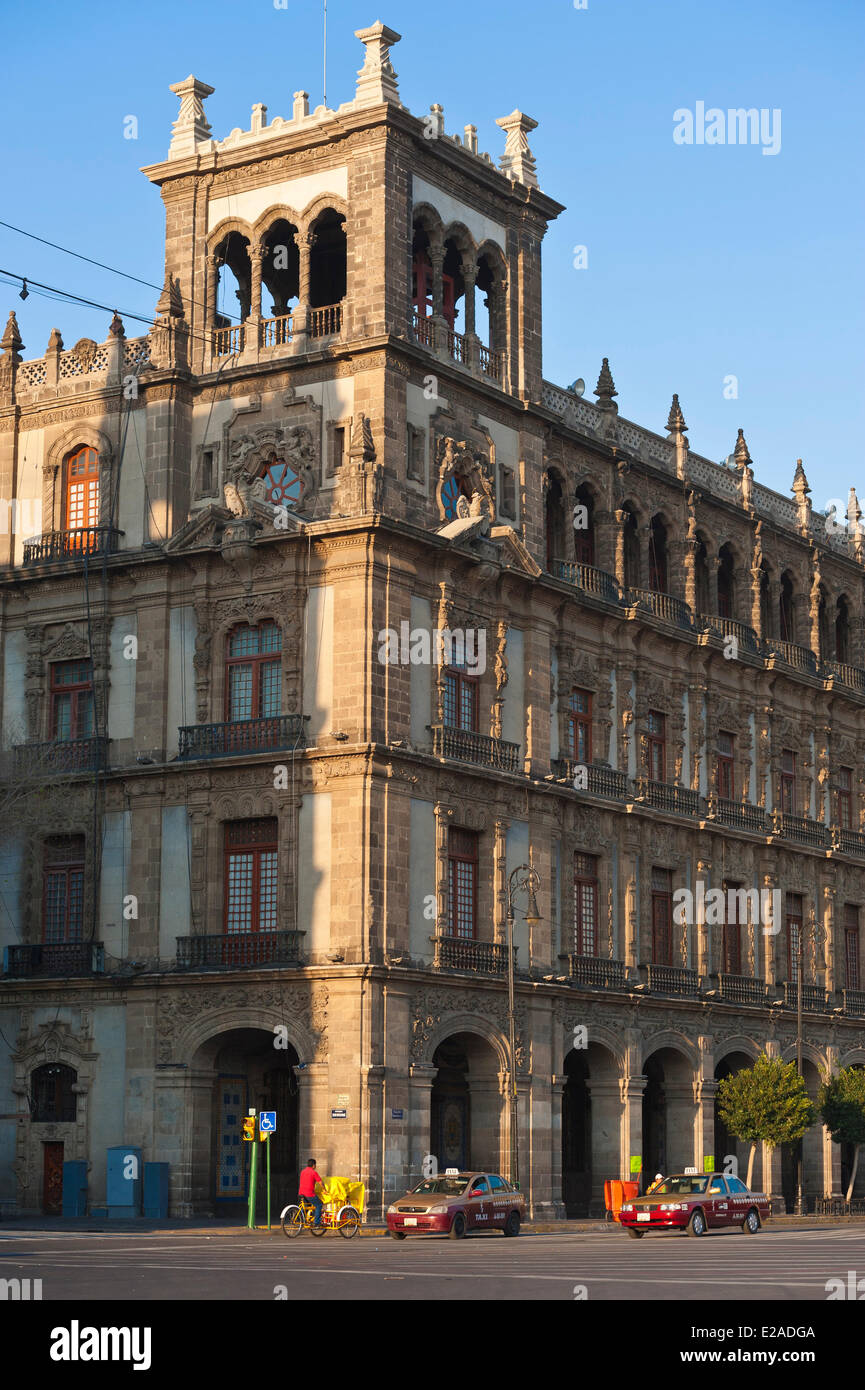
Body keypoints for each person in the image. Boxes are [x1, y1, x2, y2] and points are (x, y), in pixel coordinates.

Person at [298, 1158, 325, 1227]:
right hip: (309, 1193)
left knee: (310, 1206)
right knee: (319, 1205)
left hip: (301, 1193)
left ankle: (310, 1219)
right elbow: (320, 1182)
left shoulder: (303, 1171)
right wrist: (324, 1189)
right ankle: (317, 1222)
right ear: (313, 1165)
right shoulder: (313, 1172)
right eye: (315, 1165)